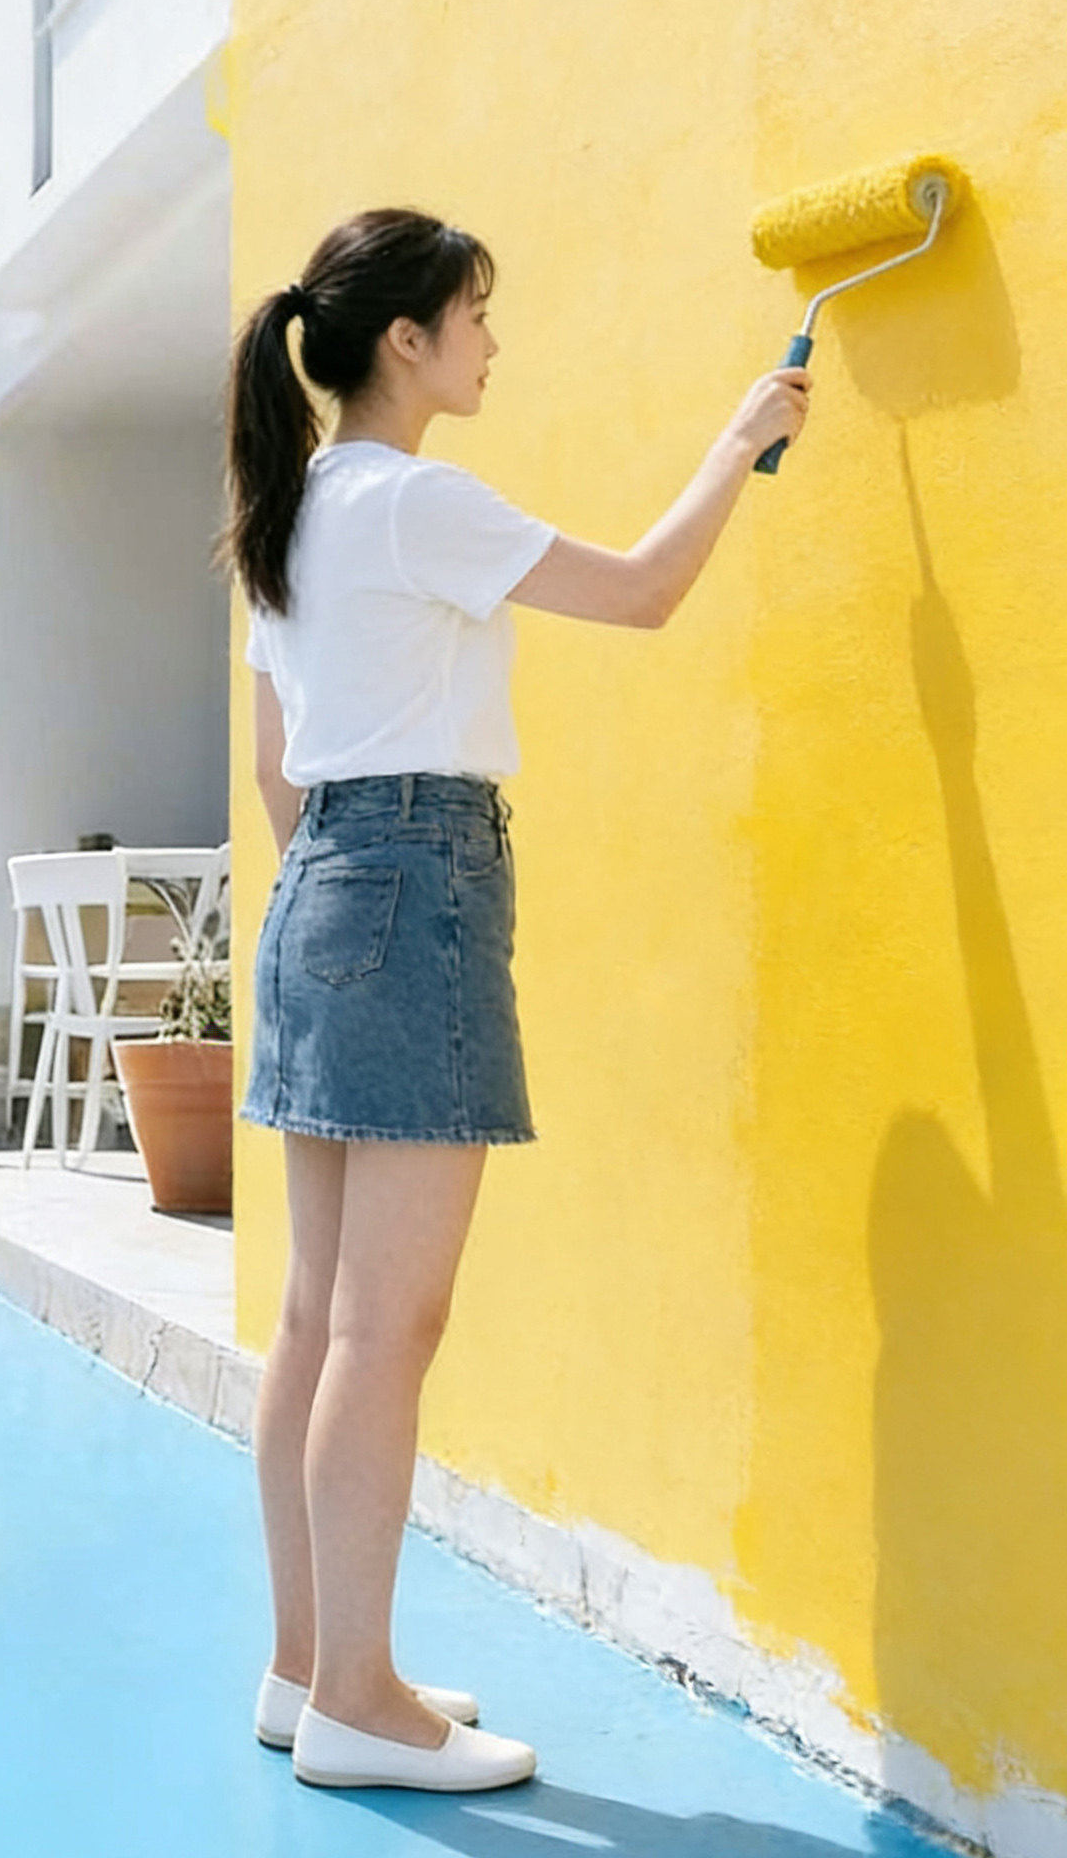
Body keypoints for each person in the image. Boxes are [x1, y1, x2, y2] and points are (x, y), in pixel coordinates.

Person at [226, 209, 810, 1791]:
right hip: (412, 882)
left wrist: (351, 900)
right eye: (477, 315)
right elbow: (639, 593)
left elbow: (282, 774)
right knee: (386, 1331)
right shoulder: (416, 500)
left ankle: (309, 1670)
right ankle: (360, 1699)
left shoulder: (287, 515)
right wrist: (737, 442)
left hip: (323, 890)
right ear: (405, 341)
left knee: (315, 1318)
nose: (492, 341)